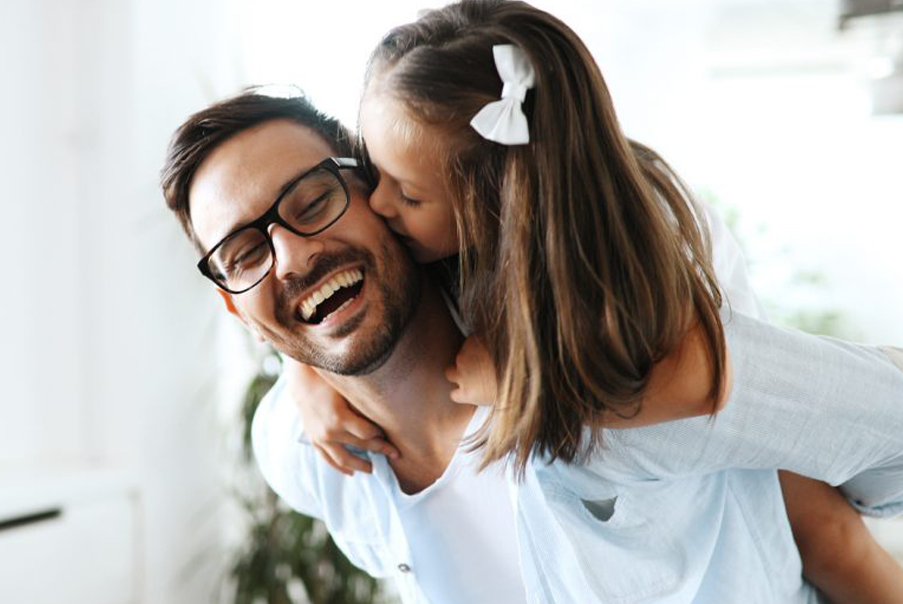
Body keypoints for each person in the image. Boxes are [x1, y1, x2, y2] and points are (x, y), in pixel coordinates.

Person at [284, 0, 903, 602]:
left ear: (497, 204)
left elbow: (700, 386)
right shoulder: (460, 232)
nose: (379, 204)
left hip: (739, 454)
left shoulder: (633, 277)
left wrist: (523, 384)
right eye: (372, 169)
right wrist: (303, 367)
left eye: (409, 195)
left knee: (822, 529)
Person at [160, 90, 865, 602]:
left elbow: (827, 506)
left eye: (313, 201)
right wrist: (299, 369)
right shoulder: (302, 455)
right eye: (245, 252)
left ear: (381, 195)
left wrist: (566, 383)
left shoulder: (605, 369)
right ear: (235, 309)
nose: (288, 257)